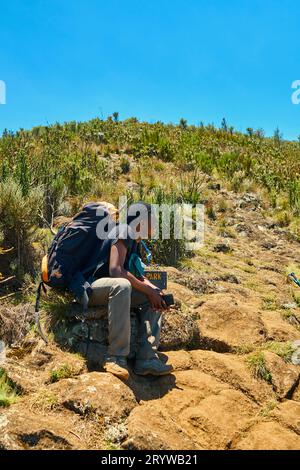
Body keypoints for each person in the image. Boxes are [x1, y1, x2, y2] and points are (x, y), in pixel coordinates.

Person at [81, 201, 173, 380]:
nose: (155, 223)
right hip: (91, 288)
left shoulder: (135, 240)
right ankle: (116, 357)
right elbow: (116, 270)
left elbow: (136, 274)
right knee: (122, 285)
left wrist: (153, 290)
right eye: (152, 219)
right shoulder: (124, 231)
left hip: (108, 288)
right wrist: (146, 287)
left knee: (152, 296)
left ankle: (146, 358)